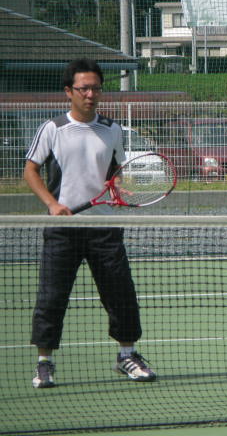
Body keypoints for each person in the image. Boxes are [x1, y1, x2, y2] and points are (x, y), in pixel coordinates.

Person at [24, 58, 156, 388]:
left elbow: (115, 171)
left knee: (121, 294)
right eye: (83, 88)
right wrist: (52, 204)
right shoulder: (53, 128)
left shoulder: (112, 129)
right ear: (69, 91)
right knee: (52, 298)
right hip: (63, 230)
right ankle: (44, 362)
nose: (90, 94)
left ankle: (127, 355)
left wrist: (117, 186)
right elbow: (30, 170)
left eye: (96, 88)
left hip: (104, 229)